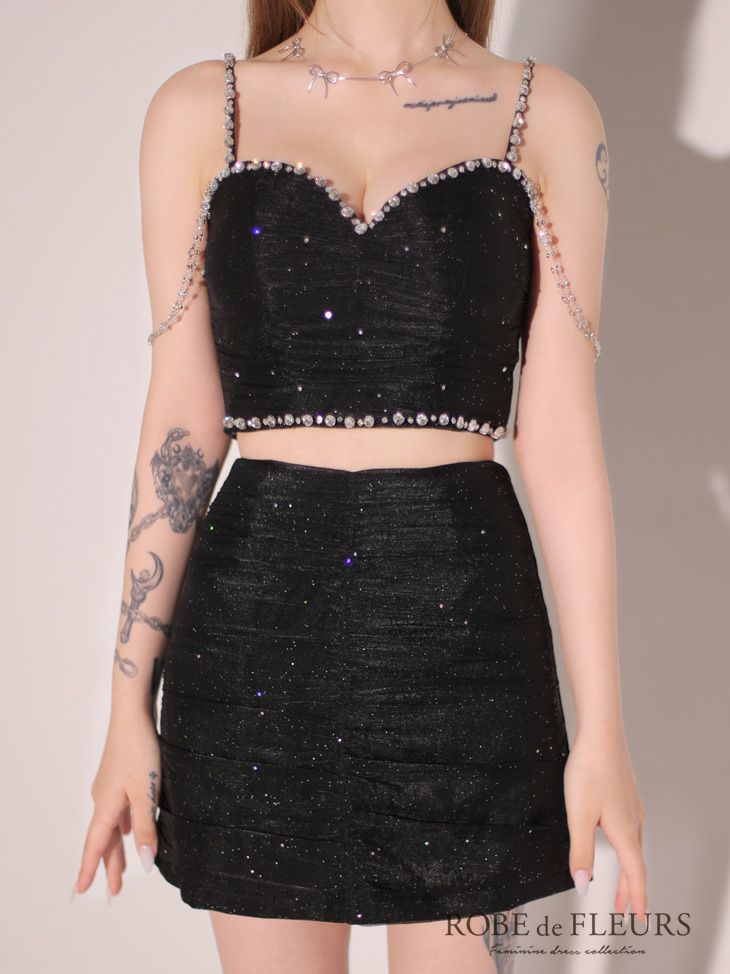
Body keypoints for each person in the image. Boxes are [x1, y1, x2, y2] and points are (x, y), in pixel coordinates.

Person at [72, 1, 648, 971]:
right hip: (254, 637)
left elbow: (558, 439)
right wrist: (125, 708)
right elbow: (181, 420)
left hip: (463, 630)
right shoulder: (201, 109)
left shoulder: (546, 113)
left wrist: (604, 730)